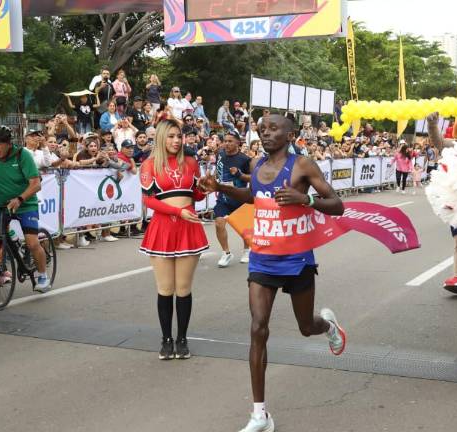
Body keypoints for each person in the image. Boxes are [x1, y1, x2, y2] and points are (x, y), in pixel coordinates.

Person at [199, 114, 346, 432]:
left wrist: (305, 199)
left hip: (297, 260)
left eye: (273, 129)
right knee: (257, 328)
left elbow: (337, 205)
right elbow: (254, 197)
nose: (265, 133)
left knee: (306, 326)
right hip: (263, 258)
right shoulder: (257, 165)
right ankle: (260, 414)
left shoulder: (303, 165)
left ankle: (329, 326)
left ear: (290, 133)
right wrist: (221, 186)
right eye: (262, 129)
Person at [140, 119, 209, 360]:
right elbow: (149, 200)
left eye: (178, 136)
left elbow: (197, 195)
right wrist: (179, 212)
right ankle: (166, 339)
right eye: (170, 136)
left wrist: (207, 187)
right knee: (165, 289)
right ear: (160, 137)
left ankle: (182, 338)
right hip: (163, 229)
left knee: (183, 289)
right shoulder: (149, 164)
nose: (176, 141)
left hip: (189, 230)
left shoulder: (191, 162)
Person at [0, 126, 50, 292]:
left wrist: (20, 199)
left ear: (8, 144)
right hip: (0, 205)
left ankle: (43, 276)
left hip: (25, 204)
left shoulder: (22, 155)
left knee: (32, 242)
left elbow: (36, 184)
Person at [213, 130, 252, 268]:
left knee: (244, 228)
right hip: (224, 197)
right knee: (219, 223)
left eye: (230, 141)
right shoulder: (220, 155)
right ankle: (226, 252)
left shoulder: (245, 159)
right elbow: (217, 173)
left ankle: (247, 251)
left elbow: (253, 177)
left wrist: (240, 174)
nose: (227, 144)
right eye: (225, 141)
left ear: (238, 143)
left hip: (240, 197)